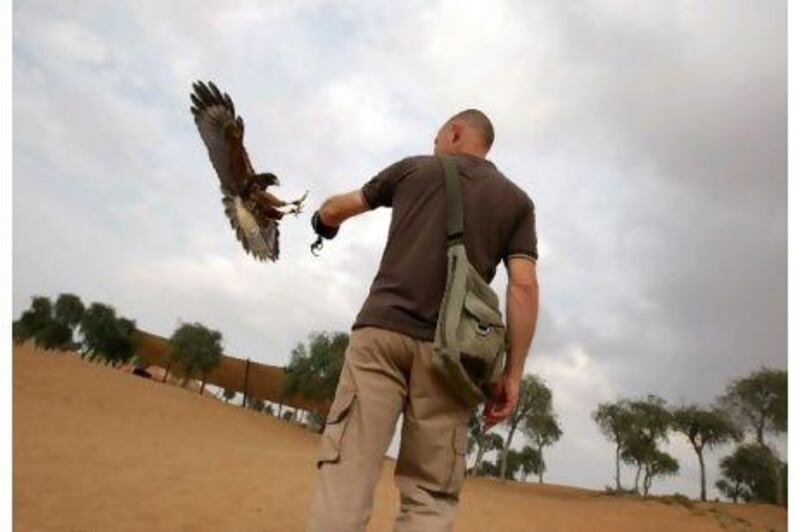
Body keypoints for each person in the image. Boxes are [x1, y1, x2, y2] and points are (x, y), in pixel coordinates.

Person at [307, 109, 539, 532]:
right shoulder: (517, 203)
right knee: (431, 495)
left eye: (437, 138)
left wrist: (322, 222)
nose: (434, 146)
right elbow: (523, 288)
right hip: (452, 355)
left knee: (348, 471)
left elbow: (339, 208)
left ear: (454, 133)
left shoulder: (412, 169)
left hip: (380, 336)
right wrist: (514, 374)